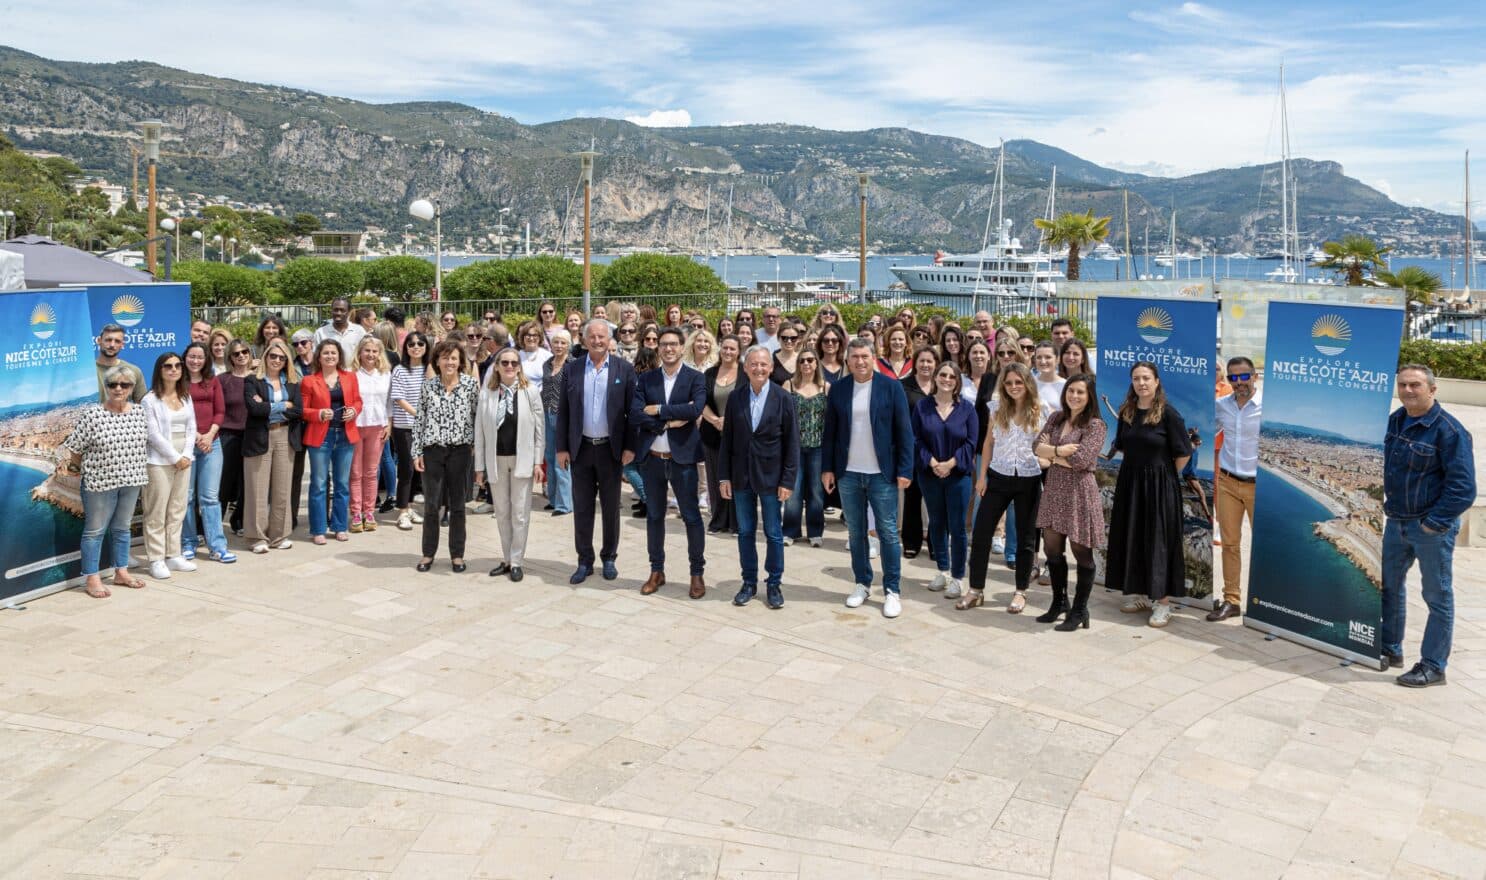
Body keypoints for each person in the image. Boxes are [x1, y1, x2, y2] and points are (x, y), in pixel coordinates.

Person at [1382, 365, 1477, 688]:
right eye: (1403, 385)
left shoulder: (1450, 431)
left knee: (1437, 596)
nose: (1408, 390)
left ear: (1432, 390)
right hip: (1396, 520)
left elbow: (1464, 488)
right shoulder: (1396, 419)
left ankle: (1434, 666)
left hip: (1429, 528)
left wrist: (1433, 524)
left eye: (1415, 385)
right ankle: (1390, 648)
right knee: (1389, 587)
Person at [822, 337, 914, 618]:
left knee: (887, 533)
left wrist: (904, 470)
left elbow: (904, 431)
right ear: (847, 360)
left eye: (865, 356)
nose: (860, 362)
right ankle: (862, 583)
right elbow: (831, 433)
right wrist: (827, 469)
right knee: (856, 532)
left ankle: (892, 590)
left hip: (882, 474)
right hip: (849, 473)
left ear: (873, 357)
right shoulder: (839, 389)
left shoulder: (891, 387)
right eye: (854, 357)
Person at [1106, 362, 1192, 628]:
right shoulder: (1127, 413)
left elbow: (1183, 453)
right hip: (1131, 483)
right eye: (1136, 378)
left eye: (1146, 378)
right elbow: (1121, 446)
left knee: (1158, 542)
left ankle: (1163, 603)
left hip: (1159, 486)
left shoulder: (1169, 414)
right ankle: (1142, 594)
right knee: (1133, 536)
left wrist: (1163, 475)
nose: (1141, 383)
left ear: (1156, 381)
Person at [555, 319, 638, 584]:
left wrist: (629, 447)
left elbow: (632, 414)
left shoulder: (624, 370)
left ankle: (609, 557)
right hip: (581, 449)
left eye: (602, 337)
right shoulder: (573, 369)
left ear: (610, 339)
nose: (597, 341)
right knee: (582, 507)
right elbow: (564, 411)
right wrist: (561, 448)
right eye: (592, 336)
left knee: (611, 507)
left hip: (610, 450)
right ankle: (584, 560)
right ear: (584, 339)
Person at [962, 363, 1049, 613]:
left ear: (1027, 384)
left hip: (1029, 480)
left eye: (1018, 382)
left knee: (1026, 539)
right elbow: (988, 442)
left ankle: (1021, 591)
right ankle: (975, 589)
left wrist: (1046, 460)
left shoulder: (1041, 410)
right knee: (980, 535)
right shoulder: (996, 408)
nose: (1013, 387)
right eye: (1009, 383)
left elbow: (1046, 444)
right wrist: (982, 477)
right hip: (998, 478)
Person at [631, 326, 708, 598]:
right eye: (663, 344)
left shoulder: (695, 378)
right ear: (657, 348)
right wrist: (671, 420)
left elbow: (695, 409)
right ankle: (656, 571)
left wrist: (660, 410)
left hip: (683, 459)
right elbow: (636, 413)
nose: (668, 349)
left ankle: (696, 573)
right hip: (652, 458)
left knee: (691, 517)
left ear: (682, 346)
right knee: (654, 516)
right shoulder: (646, 379)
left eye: (673, 344)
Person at [720, 346, 799, 609]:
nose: (759, 369)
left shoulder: (783, 398)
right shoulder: (736, 398)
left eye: (764, 364)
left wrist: (788, 481)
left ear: (771, 367)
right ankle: (749, 582)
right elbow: (727, 441)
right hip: (741, 477)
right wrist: (724, 477)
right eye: (753, 364)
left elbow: (792, 443)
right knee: (745, 532)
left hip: (771, 478)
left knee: (774, 533)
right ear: (745, 368)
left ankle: (774, 583)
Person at [62, 366, 151, 597]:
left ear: (132, 388)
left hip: (132, 479)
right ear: (106, 387)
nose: (118, 389)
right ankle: (91, 578)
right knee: (94, 531)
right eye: (113, 384)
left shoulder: (140, 412)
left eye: (125, 385)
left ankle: (121, 572)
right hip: (99, 483)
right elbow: (75, 447)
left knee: (122, 528)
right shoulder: (93, 414)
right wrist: (75, 468)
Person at [1033, 374, 1106, 630]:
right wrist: (1059, 452)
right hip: (1054, 489)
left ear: (1089, 397)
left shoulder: (1096, 426)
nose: (1074, 396)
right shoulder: (1056, 418)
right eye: (1070, 391)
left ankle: (1079, 610)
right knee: (1052, 550)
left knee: (1082, 554)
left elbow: (1081, 462)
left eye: (1080, 392)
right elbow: (1035, 446)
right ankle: (1059, 603)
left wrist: (1050, 454)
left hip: (1079, 493)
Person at [474, 350, 544, 581]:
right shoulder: (487, 394)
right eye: (505, 362)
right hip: (496, 460)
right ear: (497, 366)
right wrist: (479, 467)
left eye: (515, 363)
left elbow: (539, 431)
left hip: (521, 459)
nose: (510, 366)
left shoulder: (530, 392)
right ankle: (506, 558)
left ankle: (517, 561)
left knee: (520, 512)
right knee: (502, 511)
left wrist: (537, 461)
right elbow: (480, 433)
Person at [412, 339, 479, 572]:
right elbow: (419, 419)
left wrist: (474, 447)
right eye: (444, 357)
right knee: (431, 504)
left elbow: (477, 418)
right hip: (433, 451)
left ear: (460, 361)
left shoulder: (471, 385)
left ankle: (457, 555)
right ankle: (428, 553)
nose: (449, 362)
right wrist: (416, 451)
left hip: (460, 451)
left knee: (458, 505)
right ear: (437, 361)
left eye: (453, 358)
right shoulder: (428, 386)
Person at [913, 360, 976, 601]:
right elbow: (916, 438)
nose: (946, 379)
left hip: (958, 475)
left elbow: (971, 442)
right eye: (943, 375)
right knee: (936, 523)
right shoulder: (922, 407)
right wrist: (932, 463)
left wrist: (950, 464)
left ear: (958, 381)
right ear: (936, 377)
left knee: (957, 527)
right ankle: (943, 570)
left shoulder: (967, 409)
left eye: (952, 376)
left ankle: (958, 577)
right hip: (929, 474)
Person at [1209, 357, 1260, 621]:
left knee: (1262, 547)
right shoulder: (1221, 407)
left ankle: (1265, 604)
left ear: (1255, 377)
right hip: (1228, 481)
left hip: (1258, 486)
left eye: (1244, 376)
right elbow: (1206, 433)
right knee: (1230, 544)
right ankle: (1232, 600)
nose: (1239, 382)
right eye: (1233, 378)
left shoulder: (1267, 408)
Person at [141, 353, 198, 581]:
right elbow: (153, 434)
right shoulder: (150, 399)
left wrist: (185, 455)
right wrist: (175, 457)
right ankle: (156, 558)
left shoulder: (185, 396)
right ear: (160, 369)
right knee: (156, 511)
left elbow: (192, 427)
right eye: (168, 366)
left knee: (177, 508)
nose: (174, 369)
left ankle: (173, 554)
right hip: (159, 460)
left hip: (184, 458)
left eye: (177, 365)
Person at [242, 338, 301, 554]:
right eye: (272, 356)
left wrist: (267, 406)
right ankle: (257, 536)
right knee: (257, 488)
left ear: (287, 361)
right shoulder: (252, 380)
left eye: (281, 357)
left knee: (282, 488)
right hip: (260, 435)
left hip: (285, 434)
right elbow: (254, 410)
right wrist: (282, 405)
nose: (276, 360)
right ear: (265, 356)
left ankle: (279, 535)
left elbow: (297, 411)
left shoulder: (292, 382)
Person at [300, 339, 362, 545]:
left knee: (342, 483)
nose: (330, 356)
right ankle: (318, 528)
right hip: (321, 436)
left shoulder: (350, 377)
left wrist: (354, 410)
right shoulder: (309, 380)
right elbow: (303, 410)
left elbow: (358, 401)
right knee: (319, 483)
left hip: (345, 435)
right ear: (319, 356)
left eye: (333, 353)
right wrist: (318, 414)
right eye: (325, 353)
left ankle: (339, 526)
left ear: (339, 356)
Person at [181, 342, 230, 562]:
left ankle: (217, 546)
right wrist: (197, 437)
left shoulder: (213, 381)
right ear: (185, 358)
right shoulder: (178, 383)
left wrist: (209, 435)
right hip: (186, 445)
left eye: (200, 357)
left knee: (209, 497)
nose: (195, 361)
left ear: (205, 359)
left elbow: (220, 411)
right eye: (192, 356)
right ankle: (188, 542)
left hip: (212, 444)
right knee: (187, 497)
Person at [783, 346, 827, 547]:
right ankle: (790, 531)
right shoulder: (788, 386)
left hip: (819, 446)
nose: (806, 364)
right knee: (794, 490)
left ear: (816, 363)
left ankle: (815, 531)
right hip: (794, 447)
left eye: (810, 360)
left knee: (816, 491)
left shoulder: (826, 387)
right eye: (802, 360)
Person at [900, 346, 940, 559]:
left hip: (938, 451)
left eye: (930, 361)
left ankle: (936, 543)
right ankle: (911, 541)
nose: (926, 365)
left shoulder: (943, 384)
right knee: (912, 497)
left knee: (936, 499)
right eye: (922, 361)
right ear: (915, 363)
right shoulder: (903, 386)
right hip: (912, 449)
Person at [350, 336, 392, 533]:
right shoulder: (352, 374)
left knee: (371, 472)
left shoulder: (385, 374)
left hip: (377, 426)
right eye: (367, 350)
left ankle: (369, 511)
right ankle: (356, 511)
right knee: (356, 472)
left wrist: (389, 424)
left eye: (374, 351)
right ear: (360, 352)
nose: (371, 354)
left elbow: (390, 402)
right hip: (356, 425)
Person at [390, 331, 430, 531]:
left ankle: (410, 506)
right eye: (412, 344)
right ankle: (402, 511)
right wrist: (419, 414)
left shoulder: (429, 370)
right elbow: (398, 397)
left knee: (418, 469)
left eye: (420, 343)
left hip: (424, 429)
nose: (416, 347)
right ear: (406, 348)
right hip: (404, 427)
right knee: (406, 468)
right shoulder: (399, 370)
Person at [702, 335, 741, 535]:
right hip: (712, 433)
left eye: (732, 349)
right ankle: (718, 520)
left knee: (735, 477)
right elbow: (701, 401)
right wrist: (715, 421)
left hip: (738, 436)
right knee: (715, 477)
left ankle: (736, 522)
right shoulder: (709, 373)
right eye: (725, 348)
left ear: (738, 351)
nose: (728, 352)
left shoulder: (745, 373)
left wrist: (730, 421)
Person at [219, 339, 255, 536]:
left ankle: (239, 521)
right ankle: (215, 524)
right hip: (228, 436)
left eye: (244, 352)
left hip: (252, 436)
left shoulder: (258, 378)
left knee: (247, 483)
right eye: (236, 353)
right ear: (230, 357)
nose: (241, 356)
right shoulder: (222, 380)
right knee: (224, 483)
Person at [541, 328, 573, 517]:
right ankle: (553, 499)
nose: (559, 346)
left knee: (562, 459)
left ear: (568, 345)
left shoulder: (573, 364)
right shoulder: (547, 364)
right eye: (556, 342)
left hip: (565, 416)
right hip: (547, 414)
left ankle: (564, 504)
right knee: (550, 458)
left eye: (563, 342)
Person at [289, 329, 316, 528]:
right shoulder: (291, 367)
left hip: (319, 423)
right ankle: (291, 516)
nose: (299, 347)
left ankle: (321, 517)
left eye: (303, 342)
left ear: (312, 342)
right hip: (297, 424)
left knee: (321, 474)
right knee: (295, 473)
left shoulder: (323, 363)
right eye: (295, 344)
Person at [94, 323, 146, 403]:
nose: (112, 345)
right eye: (108, 340)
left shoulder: (134, 371)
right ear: (99, 341)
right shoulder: (87, 372)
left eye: (117, 341)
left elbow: (142, 406)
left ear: (122, 345)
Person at [314, 296, 368, 365]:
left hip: (353, 373)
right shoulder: (320, 333)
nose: (338, 313)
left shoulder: (359, 331)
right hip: (329, 374)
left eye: (342, 310)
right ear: (331, 310)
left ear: (348, 312)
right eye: (335, 310)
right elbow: (316, 358)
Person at [516, 321, 552, 395]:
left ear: (540, 337)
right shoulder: (516, 356)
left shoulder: (548, 356)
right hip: (521, 396)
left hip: (542, 398)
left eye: (535, 335)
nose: (531, 338)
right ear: (523, 337)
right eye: (528, 335)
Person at [1032, 342, 1065, 412]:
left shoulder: (1066, 385)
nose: (1043, 361)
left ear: (1057, 359)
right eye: (1039, 357)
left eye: (1048, 357)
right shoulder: (1030, 384)